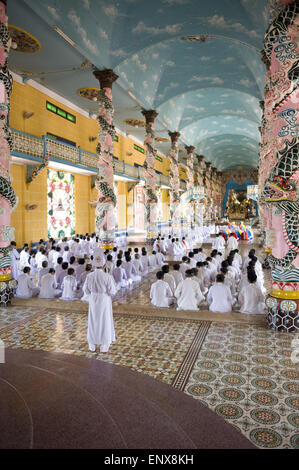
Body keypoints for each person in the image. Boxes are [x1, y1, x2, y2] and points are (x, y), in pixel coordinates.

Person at [84, 258, 117, 353]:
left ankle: (92, 345)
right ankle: (104, 346)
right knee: (104, 320)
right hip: (104, 299)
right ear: (103, 265)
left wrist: (94, 293)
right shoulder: (107, 276)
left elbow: (86, 290)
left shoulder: (89, 276)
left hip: (93, 299)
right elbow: (112, 291)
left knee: (93, 320)